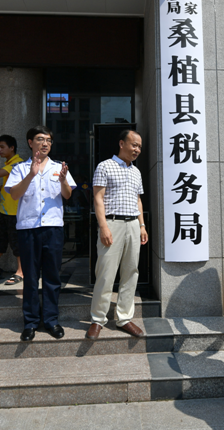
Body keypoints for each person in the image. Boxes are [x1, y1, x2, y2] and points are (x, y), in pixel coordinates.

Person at [5, 126, 76, 341]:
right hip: (28, 230)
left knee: (52, 277)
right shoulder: (19, 168)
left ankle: (52, 321)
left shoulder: (59, 167)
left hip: (53, 228)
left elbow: (67, 195)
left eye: (48, 140)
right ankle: (30, 322)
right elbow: (15, 194)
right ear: (30, 142)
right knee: (31, 277)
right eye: (40, 139)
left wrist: (63, 180)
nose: (45, 143)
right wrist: (31, 174)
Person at [86, 130, 148, 340]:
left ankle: (124, 318)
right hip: (111, 223)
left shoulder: (136, 172)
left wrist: (142, 225)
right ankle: (98, 319)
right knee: (105, 273)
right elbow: (98, 198)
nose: (137, 149)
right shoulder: (105, 166)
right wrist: (103, 226)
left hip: (133, 224)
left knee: (131, 272)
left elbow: (138, 200)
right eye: (134, 145)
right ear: (121, 143)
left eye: (139, 146)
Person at [0, 134, 24, 284]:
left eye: (2, 147)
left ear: (12, 148)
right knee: (1, 242)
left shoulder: (18, 164)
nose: (0, 150)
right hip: (3, 210)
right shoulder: (8, 163)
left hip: (15, 212)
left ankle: (21, 272)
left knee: (17, 244)